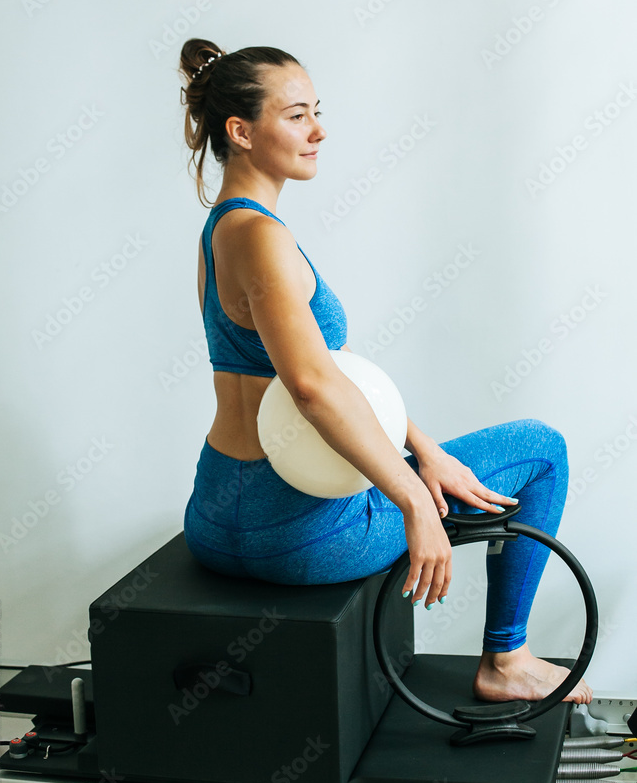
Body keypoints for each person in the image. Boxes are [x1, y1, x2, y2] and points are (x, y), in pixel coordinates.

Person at [178, 38, 592, 705]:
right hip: (297, 537)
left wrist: (424, 452)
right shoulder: (262, 236)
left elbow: (332, 376)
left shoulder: (219, 231)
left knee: (452, 463)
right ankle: (506, 659)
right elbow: (313, 390)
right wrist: (410, 500)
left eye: (317, 111)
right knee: (540, 451)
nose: (318, 130)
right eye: (296, 115)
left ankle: (502, 647)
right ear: (240, 131)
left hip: (215, 522)